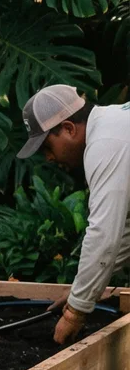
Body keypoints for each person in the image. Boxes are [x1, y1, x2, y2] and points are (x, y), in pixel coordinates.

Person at [18, 85, 129, 347]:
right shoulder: (114, 125)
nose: (47, 157)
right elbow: (123, 231)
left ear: (68, 128)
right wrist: (80, 291)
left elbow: (103, 235)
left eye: (47, 145)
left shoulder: (106, 144)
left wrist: (76, 312)